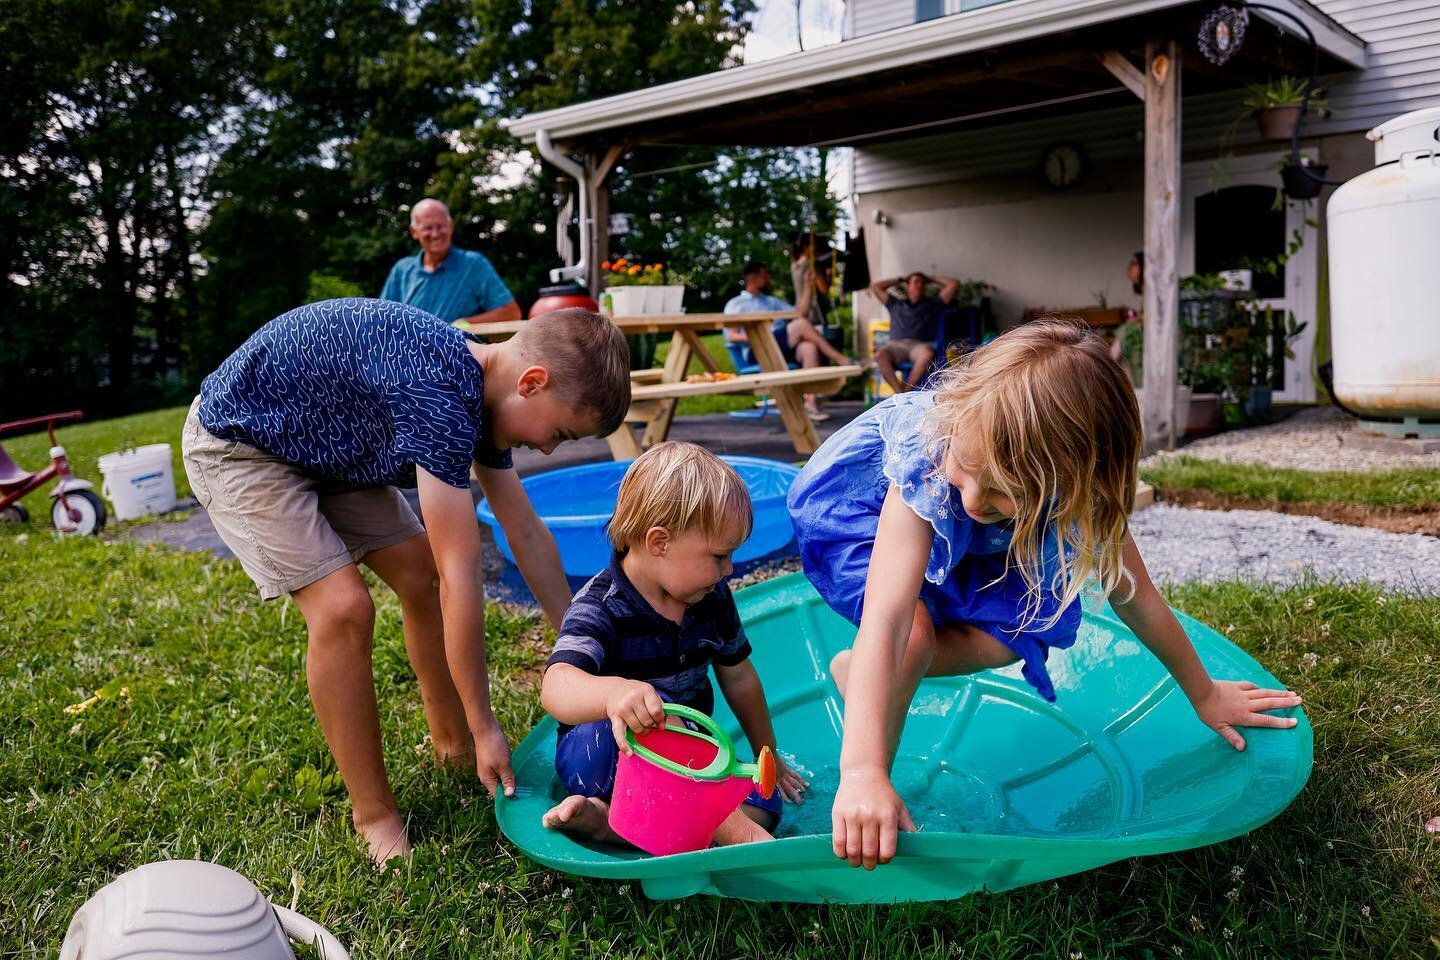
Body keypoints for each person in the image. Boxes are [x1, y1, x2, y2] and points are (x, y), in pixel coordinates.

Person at [786, 319, 1302, 871]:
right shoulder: (935, 459)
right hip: (859, 509)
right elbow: (887, 619)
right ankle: (870, 798)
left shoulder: (1079, 495)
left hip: (973, 538)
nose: (976, 498)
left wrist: (1203, 694)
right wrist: (863, 773)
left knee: (1016, 636)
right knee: (907, 637)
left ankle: (860, 672)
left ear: (1073, 482)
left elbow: (1137, 599)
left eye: (1006, 491)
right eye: (973, 470)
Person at [181, 298, 630, 866]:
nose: (546, 448)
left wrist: (581, 655)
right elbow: (459, 575)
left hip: (329, 447)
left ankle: (453, 748)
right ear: (533, 383)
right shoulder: (442, 396)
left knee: (416, 574)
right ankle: (374, 813)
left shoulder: (486, 388)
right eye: (560, 433)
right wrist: (485, 717)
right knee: (344, 608)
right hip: (242, 445)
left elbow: (527, 533)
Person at [539, 442, 808, 846]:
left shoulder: (712, 599)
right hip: (605, 757)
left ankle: (609, 824)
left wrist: (769, 754)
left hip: (692, 762)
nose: (729, 569)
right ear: (660, 542)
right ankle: (731, 829)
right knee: (662, 722)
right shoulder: (602, 605)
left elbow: (739, 679)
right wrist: (614, 693)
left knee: (766, 802)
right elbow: (555, 685)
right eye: (719, 556)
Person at [724, 260, 852, 422]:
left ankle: (810, 404)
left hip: (779, 349)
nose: (767, 279)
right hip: (757, 352)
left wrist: (807, 285)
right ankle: (841, 359)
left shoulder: (770, 301)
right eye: (764, 276)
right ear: (752, 277)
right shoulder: (736, 304)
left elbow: (800, 313)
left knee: (808, 347)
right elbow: (732, 336)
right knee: (801, 326)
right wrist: (760, 337)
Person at [380, 198, 522, 326]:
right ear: (414, 232)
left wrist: (465, 324)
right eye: (428, 228)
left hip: (458, 354)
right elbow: (382, 319)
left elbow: (512, 313)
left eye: (441, 226)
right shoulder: (402, 270)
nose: (435, 234)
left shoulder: (473, 265)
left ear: (451, 226)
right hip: (408, 354)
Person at [867, 271, 962, 393]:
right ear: (908, 286)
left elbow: (954, 284)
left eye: (923, 283)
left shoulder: (934, 304)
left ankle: (906, 392)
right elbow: (875, 287)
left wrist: (930, 278)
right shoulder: (895, 303)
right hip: (896, 345)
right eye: (916, 282)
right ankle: (899, 393)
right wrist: (901, 279)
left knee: (927, 354)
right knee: (880, 355)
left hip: (920, 346)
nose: (920, 285)